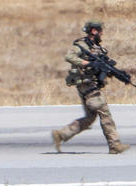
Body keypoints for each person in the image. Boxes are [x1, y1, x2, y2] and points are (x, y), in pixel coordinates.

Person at [51, 20, 130, 154]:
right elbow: (69, 56)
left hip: (89, 84)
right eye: (100, 31)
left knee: (90, 118)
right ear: (94, 31)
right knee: (105, 113)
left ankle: (62, 134)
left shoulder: (97, 48)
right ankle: (115, 145)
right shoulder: (81, 46)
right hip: (87, 85)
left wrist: (118, 74)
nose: (102, 33)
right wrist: (88, 63)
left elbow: (103, 67)